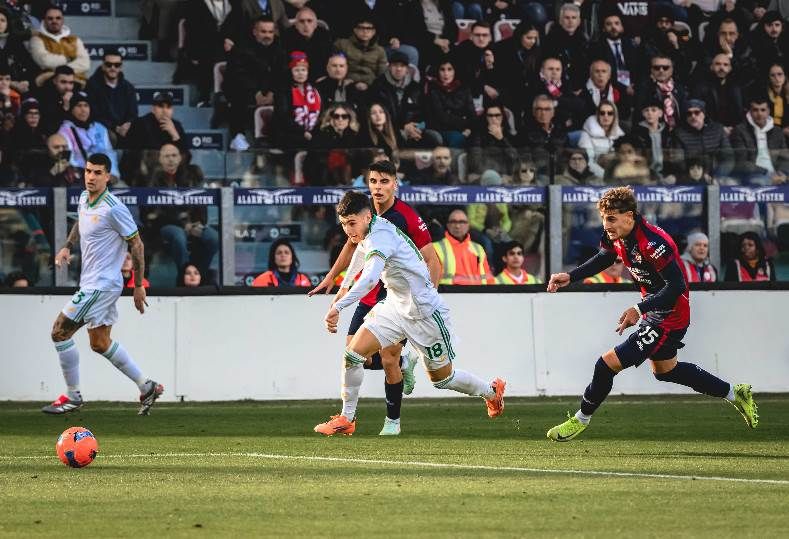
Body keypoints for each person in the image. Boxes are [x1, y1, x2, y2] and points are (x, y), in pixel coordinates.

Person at [545, 186, 758, 442]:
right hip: (654, 310)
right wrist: (571, 276)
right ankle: (735, 392)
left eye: (611, 218)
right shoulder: (617, 233)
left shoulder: (653, 243)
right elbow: (605, 257)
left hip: (670, 315)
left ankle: (580, 420)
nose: (606, 225)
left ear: (629, 216)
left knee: (606, 365)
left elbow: (677, 286)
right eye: (603, 218)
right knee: (666, 371)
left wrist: (639, 309)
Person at [312, 189, 506, 436]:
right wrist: (342, 289)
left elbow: (370, 278)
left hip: (424, 314)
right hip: (394, 306)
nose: (348, 230)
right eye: (343, 224)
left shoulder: (381, 237)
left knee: (442, 379)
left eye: (351, 223)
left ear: (367, 216)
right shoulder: (369, 230)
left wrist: (338, 306)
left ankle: (491, 391)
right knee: (353, 355)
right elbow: (360, 253)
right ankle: (346, 418)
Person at [309, 159, 442, 435]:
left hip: (394, 298)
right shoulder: (362, 212)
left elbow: (432, 260)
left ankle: (392, 422)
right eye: (373, 181)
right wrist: (334, 279)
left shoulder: (406, 217)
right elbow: (353, 245)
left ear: (395, 184)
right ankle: (404, 364)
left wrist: (424, 302)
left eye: (384, 181)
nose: (378, 187)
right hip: (368, 293)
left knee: (388, 357)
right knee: (356, 355)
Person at [43, 153, 164, 416]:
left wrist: (138, 285)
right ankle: (147, 386)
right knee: (100, 342)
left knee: (59, 332)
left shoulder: (114, 208)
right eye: (88, 171)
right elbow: (81, 221)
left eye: (98, 172)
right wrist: (67, 246)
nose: (91, 177)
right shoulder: (84, 199)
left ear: (107, 176)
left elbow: (137, 244)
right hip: (94, 283)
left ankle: (73, 397)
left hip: (101, 285)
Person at [224, 16, 286, 151]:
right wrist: (255, 93)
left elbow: (282, 74)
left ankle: (277, 139)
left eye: (270, 32)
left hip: (272, 89)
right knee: (236, 94)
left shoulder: (280, 47)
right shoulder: (241, 48)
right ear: (254, 32)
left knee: (287, 95)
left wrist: (272, 93)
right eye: (263, 32)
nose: (267, 36)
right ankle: (237, 136)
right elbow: (237, 74)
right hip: (245, 88)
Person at [57, 92, 119, 178]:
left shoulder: (100, 128)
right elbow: (69, 159)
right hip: (80, 176)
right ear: (72, 109)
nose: (83, 110)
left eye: (86, 105)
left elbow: (109, 152)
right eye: (79, 106)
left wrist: (113, 173)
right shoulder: (65, 130)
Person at [85, 49, 138, 143]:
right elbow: (93, 114)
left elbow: (133, 113)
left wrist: (128, 124)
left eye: (117, 65)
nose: (113, 68)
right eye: (109, 64)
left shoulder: (128, 87)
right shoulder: (92, 86)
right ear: (103, 66)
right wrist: (115, 127)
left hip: (124, 129)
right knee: (110, 137)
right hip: (102, 128)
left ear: (121, 67)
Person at [29, 4, 90, 87]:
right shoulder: (37, 39)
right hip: (49, 84)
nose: (54, 21)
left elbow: (84, 64)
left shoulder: (74, 40)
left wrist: (56, 72)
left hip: (77, 83)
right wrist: (68, 59)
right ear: (44, 20)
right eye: (50, 18)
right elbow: (45, 61)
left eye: (58, 18)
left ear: (63, 20)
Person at [273, 51, 321, 149]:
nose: (300, 73)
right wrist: (302, 132)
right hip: (290, 134)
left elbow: (321, 113)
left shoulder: (315, 90)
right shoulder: (283, 91)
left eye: (303, 70)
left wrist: (312, 131)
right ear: (290, 72)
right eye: (296, 70)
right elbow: (283, 117)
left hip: (313, 132)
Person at [433, 208, 495, 285]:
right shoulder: (435, 248)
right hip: (449, 292)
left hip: (478, 292)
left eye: (462, 222)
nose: (457, 226)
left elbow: (488, 277)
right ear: (448, 225)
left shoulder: (478, 248)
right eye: (453, 222)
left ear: (468, 225)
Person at [425, 57, 475, 148]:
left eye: (449, 69)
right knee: (457, 138)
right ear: (438, 71)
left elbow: (472, 115)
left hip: (465, 129)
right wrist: (464, 124)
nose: (446, 74)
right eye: (442, 69)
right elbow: (441, 117)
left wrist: (469, 129)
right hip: (441, 130)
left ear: (455, 71)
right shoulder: (433, 90)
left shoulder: (464, 89)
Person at [333, 17, 388, 92]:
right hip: (346, 84)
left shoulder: (380, 51)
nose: (365, 31)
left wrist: (369, 84)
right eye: (361, 28)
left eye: (369, 28)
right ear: (355, 30)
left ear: (374, 32)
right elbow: (334, 67)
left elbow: (382, 75)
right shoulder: (342, 45)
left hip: (371, 86)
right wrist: (344, 80)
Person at [578, 100, 625, 178]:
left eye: (610, 113)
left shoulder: (620, 135)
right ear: (597, 115)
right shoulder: (586, 134)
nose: (606, 116)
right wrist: (606, 176)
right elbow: (587, 162)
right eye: (602, 113)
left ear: (614, 116)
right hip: (596, 176)